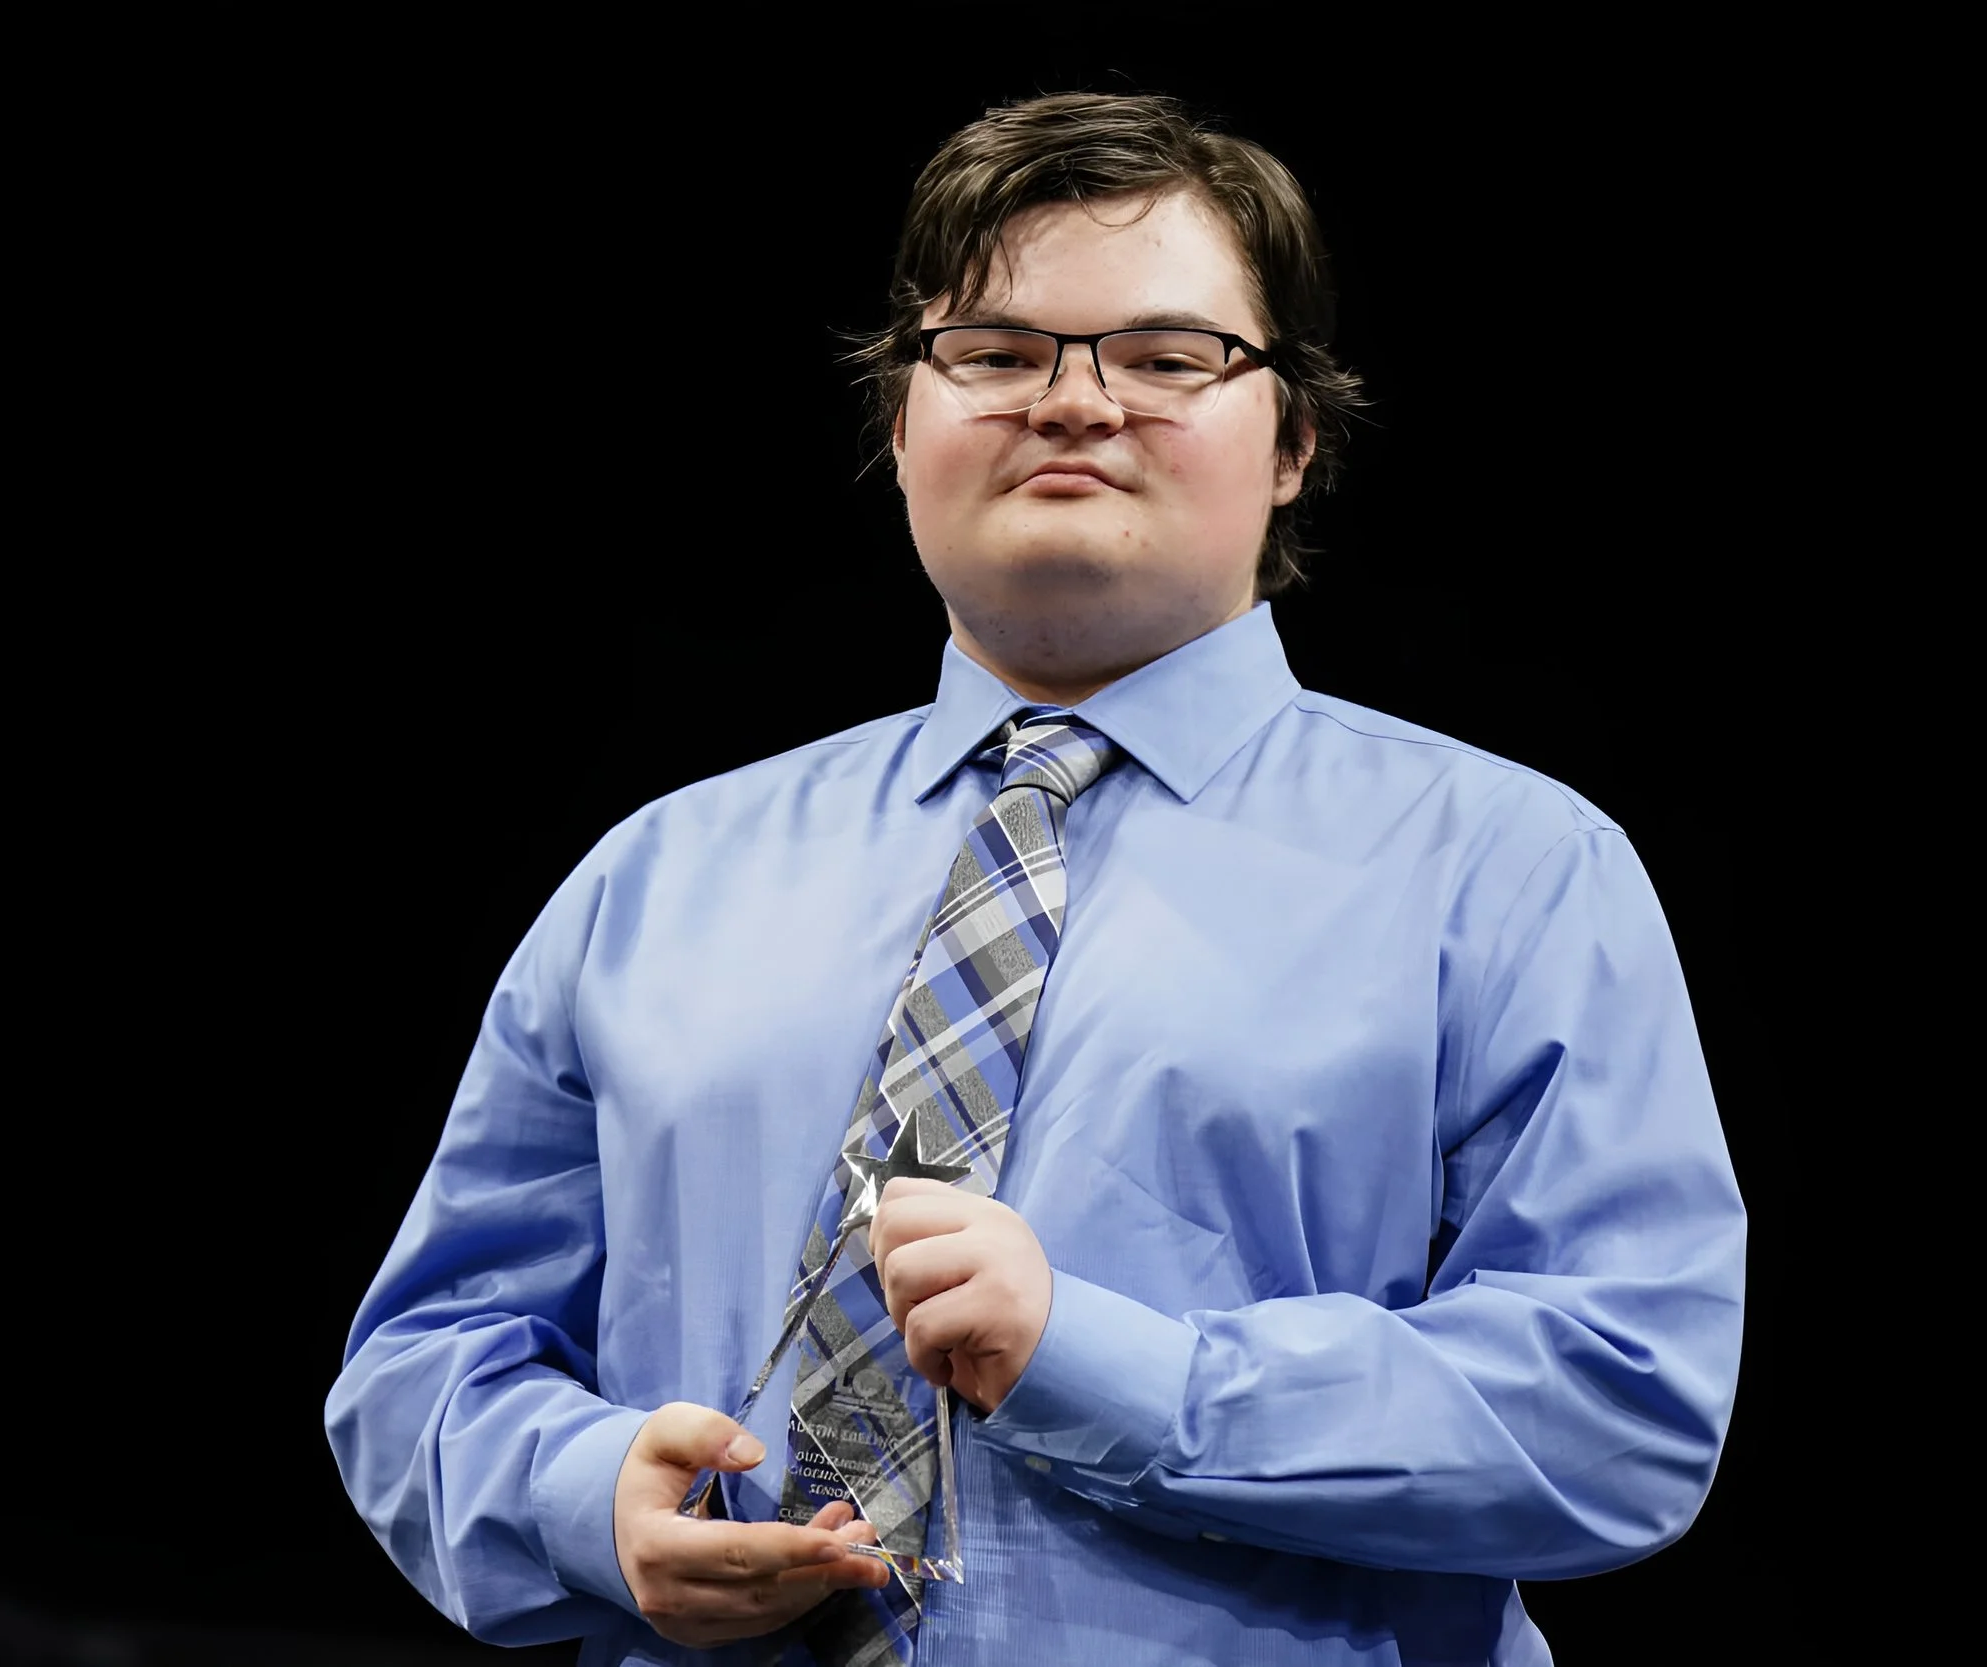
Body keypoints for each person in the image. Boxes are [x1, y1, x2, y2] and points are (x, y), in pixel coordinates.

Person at [326, 91, 1745, 1666]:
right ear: (899, 421)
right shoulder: (654, 878)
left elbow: (1623, 1402)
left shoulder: (1514, 872)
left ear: (1296, 441)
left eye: (1165, 356)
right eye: (995, 354)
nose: (1074, 403)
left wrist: (1096, 1362)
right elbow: (422, 1365)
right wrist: (586, 1501)